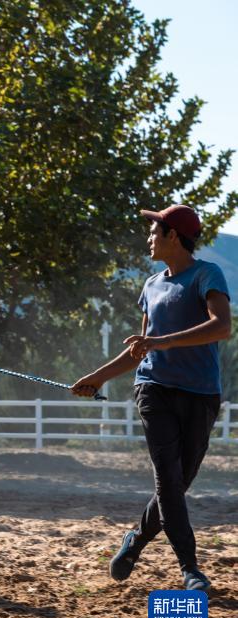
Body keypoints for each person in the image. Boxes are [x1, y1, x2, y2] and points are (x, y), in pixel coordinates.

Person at [71, 204, 231, 592]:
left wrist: (162, 341)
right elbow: (141, 349)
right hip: (153, 389)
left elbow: (221, 327)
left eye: (154, 231)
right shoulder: (151, 285)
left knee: (180, 481)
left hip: (200, 394)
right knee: (168, 480)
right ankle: (191, 569)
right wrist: (97, 377)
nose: (148, 238)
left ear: (173, 235)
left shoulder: (207, 275)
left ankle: (136, 539)